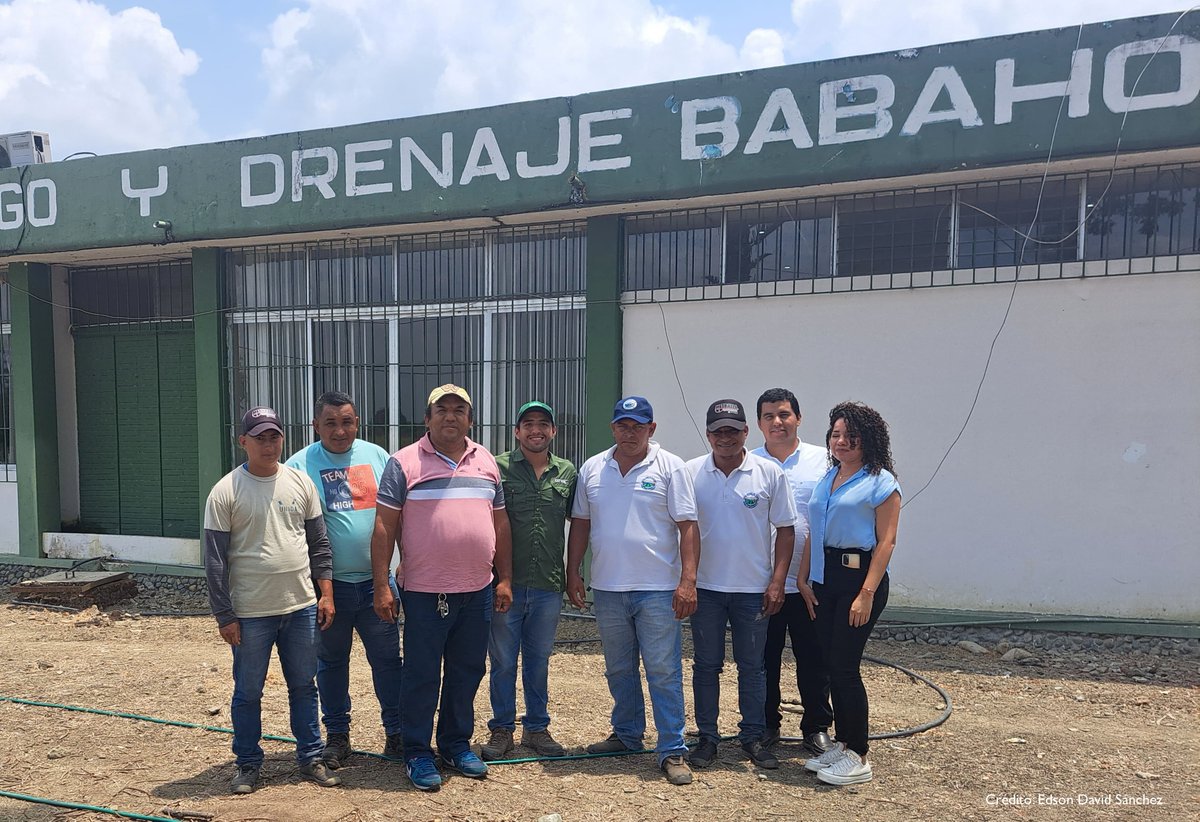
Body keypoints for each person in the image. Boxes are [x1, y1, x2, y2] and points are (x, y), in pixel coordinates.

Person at [370, 384, 514, 792]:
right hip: (424, 591)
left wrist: (504, 578)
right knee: (421, 673)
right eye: (441, 409)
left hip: (477, 590)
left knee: (468, 670)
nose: (450, 416)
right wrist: (382, 585)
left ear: (470, 418)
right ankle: (416, 751)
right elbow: (384, 526)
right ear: (427, 417)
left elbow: (500, 523)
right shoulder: (404, 463)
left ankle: (454, 744)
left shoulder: (485, 460)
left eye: (459, 410)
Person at [203, 406, 342, 794]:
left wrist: (325, 594)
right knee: (248, 691)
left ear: (283, 438)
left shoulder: (300, 483)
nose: (268, 444)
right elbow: (214, 561)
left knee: (304, 686)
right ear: (243, 441)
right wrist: (224, 615)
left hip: (299, 607)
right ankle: (248, 764)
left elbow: (319, 545)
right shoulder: (226, 491)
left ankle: (310, 757)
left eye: (274, 436)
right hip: (250, 614)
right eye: (259, 437)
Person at [566, 396, 699, 786]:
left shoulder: (670, 467)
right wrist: (573, 571)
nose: (630, 432)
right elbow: (580, 523)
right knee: (619, 668)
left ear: (651, 429)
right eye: (623, 425)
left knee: (662, 670)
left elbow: (687, 525)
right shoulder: (594, 468)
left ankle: (673, 748)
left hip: (658, 589)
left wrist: (687, 580)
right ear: (613, 428)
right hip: (608, 588)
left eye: (638, 426)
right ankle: (626, 734)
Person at [285, 390, 401, 768]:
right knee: (331, 663)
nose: (339, 430)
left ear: (357, 422)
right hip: (326, 590)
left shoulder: (378, 457)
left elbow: (399, 516)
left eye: (347, 421)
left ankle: (397, 734)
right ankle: (337, 737)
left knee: (387, 661)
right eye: (330, 423)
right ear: (315, 425)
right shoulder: (299, 465)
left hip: (375, 585)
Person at [685, 399, 796, 771]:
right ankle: (707, 739)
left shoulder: (768, 473)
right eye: (718, 432)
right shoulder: (690, 473)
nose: (725, 438)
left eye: (732, 431)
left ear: (746, 432)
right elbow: (682, 529)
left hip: (753, 590)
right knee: (706, 666)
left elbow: (785, 529)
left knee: (753, 667)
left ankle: (752, 737)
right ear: (708, 435)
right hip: (706, 589)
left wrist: (777, 581)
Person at [799, 402, 900, 786]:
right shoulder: (830, 477)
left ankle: (858, 754)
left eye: (850, 436)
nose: (841, 442)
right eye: (836, 434)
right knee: (829, 663)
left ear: (868, 440)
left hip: (859, 582)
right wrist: (803, 579)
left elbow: (887, 542)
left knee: (844, 667)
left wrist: (867, 593)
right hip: (825, 581)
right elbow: (814, 529)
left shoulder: (881, 482)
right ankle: (841, 744)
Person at [480, 401, 577, 761]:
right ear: (517, 431)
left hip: (547, 584)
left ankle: (537, 728)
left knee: (539, 660)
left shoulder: (567, 472)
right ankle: (502, 730)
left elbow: (578, 523)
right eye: (528, 424)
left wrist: (573, 574)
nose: (536, 430)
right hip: (506, 584)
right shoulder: (497, 467)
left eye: (543, 424)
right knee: (503, 660)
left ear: (553, 432)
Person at [752, 388, 836, 755]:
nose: (777, 422)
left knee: (814, 658)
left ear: (798, 419)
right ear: (758, 423)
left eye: (784, 415)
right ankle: (766, 725)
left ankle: (816, 726)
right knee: (762, 660)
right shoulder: (747, 461)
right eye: (768, 416)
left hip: (810, 581)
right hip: (760, 580)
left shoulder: (824, 460)